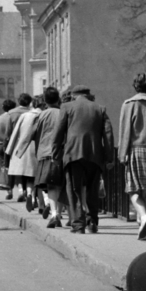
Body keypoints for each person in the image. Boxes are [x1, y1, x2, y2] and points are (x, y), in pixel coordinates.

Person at [54, 86, 114, 234]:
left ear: (74, 96)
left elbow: (58, 132)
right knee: (92, 190)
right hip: (95, 155)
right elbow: (108, 135)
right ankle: (92, 220)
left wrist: (55, 154)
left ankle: (78, 224)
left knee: (74, 189)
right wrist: (109, 157)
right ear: (89, 96)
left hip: (73, 154)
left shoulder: (67, 107)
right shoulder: (100, 108)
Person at [118, 72, 146, 240]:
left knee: (132, 188)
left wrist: (122, 155)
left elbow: (125, 131)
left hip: (136, 149)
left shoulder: (129, 104)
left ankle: (143, 216)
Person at [32, 86, 67, 226]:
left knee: (51, 186)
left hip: (45, 153)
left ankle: (54, 214)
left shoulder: (41, 115)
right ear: (58, 99)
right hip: (62, 153)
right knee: (60, 185)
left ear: (45, 101)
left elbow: (32, 134)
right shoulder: (63, 113)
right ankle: (58, 213)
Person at [5, 93, 40, 209]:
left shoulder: (14, 114)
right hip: (38, 148)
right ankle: (34, 197)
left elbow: (11, 134)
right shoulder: (41, 114)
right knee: (34, 175)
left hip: (21, 146)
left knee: (21, 173)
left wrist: (9, 150)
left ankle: (21, 191)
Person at [0, 97, 18, 197]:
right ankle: (15, 188)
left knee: (4, 167)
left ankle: (8, 189)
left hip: (0, 145)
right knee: (13, 167)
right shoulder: (15, 118)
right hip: (13, 145)